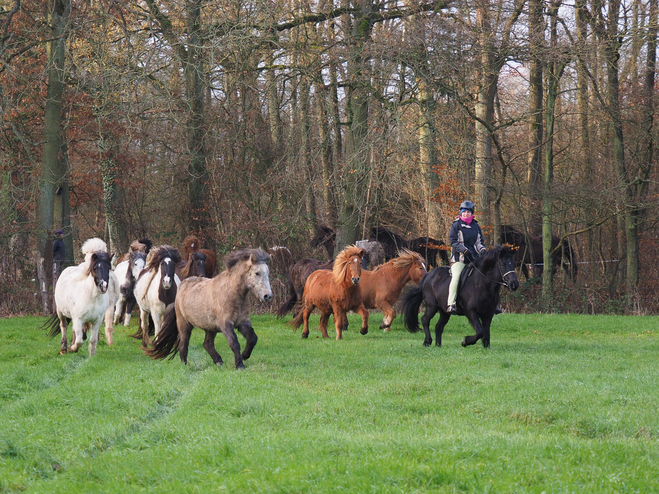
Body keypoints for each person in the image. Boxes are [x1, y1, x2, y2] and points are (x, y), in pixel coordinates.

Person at [447, 200, 487, 314]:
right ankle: (451, 303)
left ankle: (486, 303)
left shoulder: (476, 226)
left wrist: (482, 250)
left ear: (472, 213)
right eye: (464, 212)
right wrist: (464, 250)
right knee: (456, 276)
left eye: (468, 212)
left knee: (485, 275)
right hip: (459, 259)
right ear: (461, 212)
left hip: (473, 258)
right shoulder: (456, 225)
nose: (466, 214)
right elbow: (453, 242)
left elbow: (479, 242)